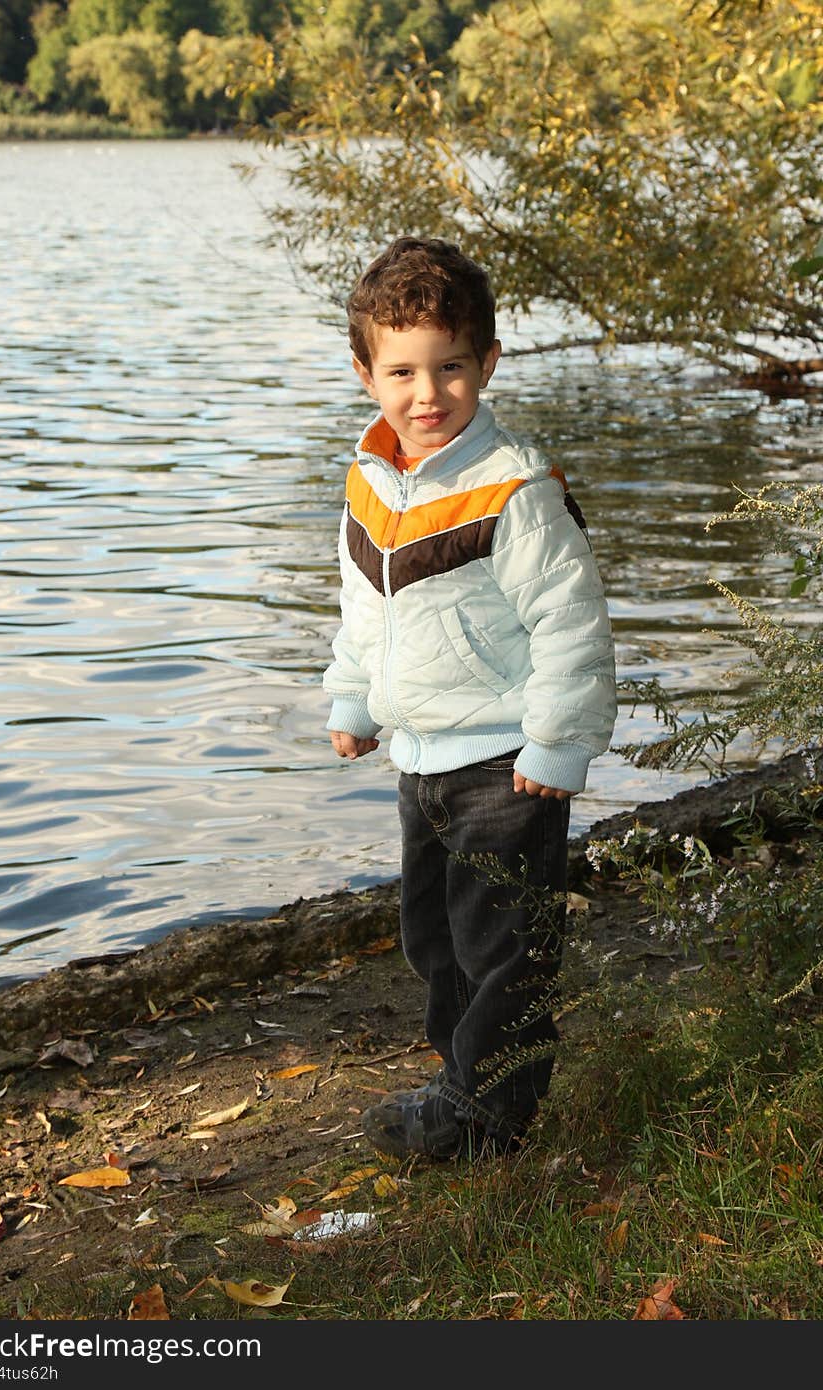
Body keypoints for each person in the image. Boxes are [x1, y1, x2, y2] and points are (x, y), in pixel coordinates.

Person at [324, 236, 617, 1159]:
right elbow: (365, 605)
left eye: (451, 368)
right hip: (422, 756)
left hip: (507, 763)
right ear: (366, 372)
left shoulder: (513, 489)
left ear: (487, 363)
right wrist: (355, 700)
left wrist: (556, 746)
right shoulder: (373, 482)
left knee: (505, 953)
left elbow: (572, 623)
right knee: (434, 941)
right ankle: (459, 1080)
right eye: (403, 370)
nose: (428, 395)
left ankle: (488, 1120)